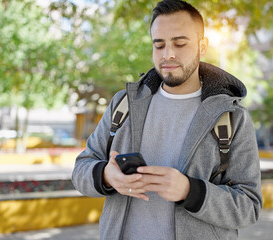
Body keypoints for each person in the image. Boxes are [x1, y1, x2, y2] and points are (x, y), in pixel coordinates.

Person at [72, 0, 262, 239]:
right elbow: (81, 168)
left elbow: (249, 207)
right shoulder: (124, 104)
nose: (168, 54)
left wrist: (190, 191)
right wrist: (106, 176)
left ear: (202, 46)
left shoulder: (232, 118)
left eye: (180, 43)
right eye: (159, 45)